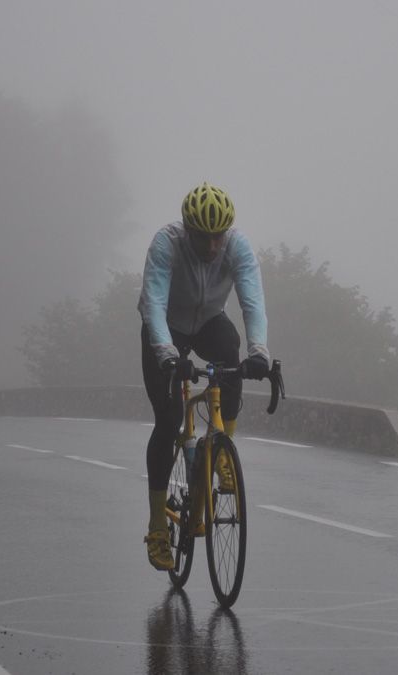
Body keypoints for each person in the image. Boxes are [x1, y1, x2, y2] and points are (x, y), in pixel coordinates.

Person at [138, 182, 270, 571]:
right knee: (168, 421)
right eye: (202, 237)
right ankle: (159, 524)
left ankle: (222, 448)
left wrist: (259, 351)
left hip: (210, 322)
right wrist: (165, 355)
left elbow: (252, 302)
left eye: (218, 237)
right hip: (167, 328)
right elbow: (154, 304)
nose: (212, 246)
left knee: (232, 355)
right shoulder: (166, 244)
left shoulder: (237, 247)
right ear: (187, 229)